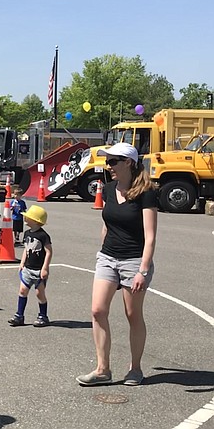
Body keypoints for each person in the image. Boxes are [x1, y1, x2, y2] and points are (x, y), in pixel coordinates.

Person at [76, 143, 157, 387]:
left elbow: (150, 236)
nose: (107, 166)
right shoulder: (110, 189)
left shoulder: (146, 192)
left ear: (128, 163)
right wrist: (102, 252)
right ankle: (102, 369)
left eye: (112, 161)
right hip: (108, 258)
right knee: (98, 311)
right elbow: (107, 225)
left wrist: (143, 270)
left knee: (133, 315)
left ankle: (135, 368)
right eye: (107, 161)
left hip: (134, 260)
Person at [8, 205, 52, 327]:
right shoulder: (27, 233)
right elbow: (27, 249)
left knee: (39, 294)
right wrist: (22, 262)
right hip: (27, 269)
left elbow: (48, 252)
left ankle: (43, 316)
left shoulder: (43, 236)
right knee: (22, 290)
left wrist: (45, 268)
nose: (25, 219)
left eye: (28, 217)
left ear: (36, 221)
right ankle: (19, 315)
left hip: (38, 270)